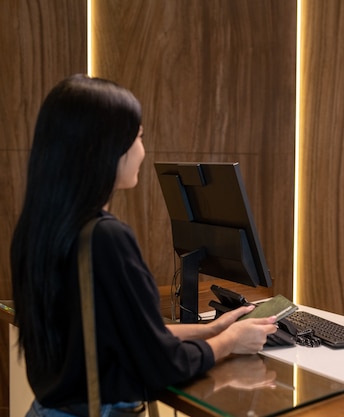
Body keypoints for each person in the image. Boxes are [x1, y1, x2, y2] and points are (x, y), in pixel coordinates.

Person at [10, 74, 277, 416]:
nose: (143, 150)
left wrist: (210, 328)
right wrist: (229, 342)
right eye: (138, 137)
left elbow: (114, 334)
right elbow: (160, 366)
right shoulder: (105, 238)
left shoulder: (41, 228)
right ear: (105, 147)